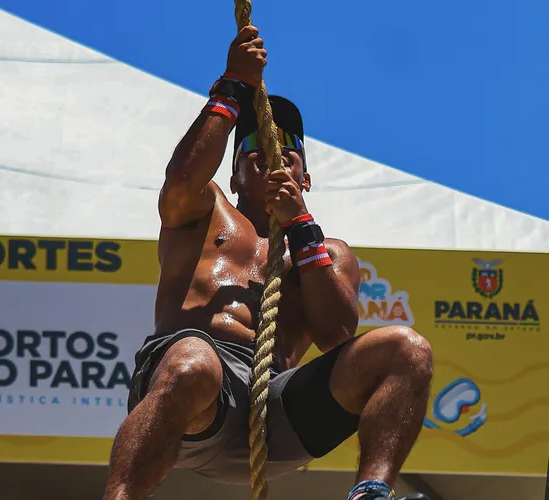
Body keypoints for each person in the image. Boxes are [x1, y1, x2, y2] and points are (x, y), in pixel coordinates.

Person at [103, 24, 434, 500]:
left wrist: (300, 226)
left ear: (307, 177)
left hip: (276, 412)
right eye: (252, 149)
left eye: (288, 151)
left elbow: (336, 336)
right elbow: (179, 180)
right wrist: (233, 87)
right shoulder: (205, 210)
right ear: (233, 173)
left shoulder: (328, 251)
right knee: (194, 362)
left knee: (408, 348)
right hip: (194, 393)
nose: (271, 153)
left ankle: (372, 492)